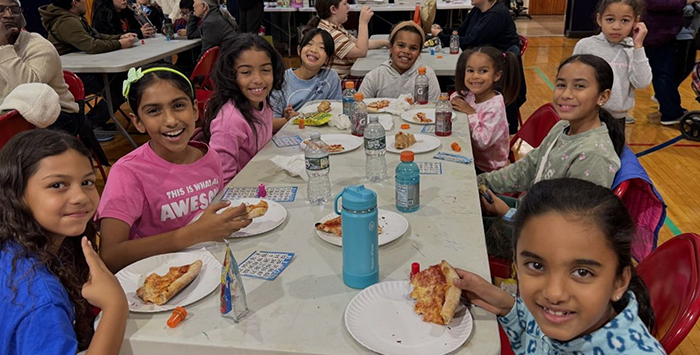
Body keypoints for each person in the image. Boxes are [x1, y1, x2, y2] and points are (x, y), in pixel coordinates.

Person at [453, 178, 665, 354]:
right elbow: (539, 338)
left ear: (619, 282)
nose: (554, 293)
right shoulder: (570, 320)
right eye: (536, 265)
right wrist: (505, 305)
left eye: (582, 272)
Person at [97, 64, 252, 272]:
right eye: (154, 111)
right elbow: (110, 256)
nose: (170, 120)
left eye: (178, 105)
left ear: (195, 109)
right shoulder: (127, 173)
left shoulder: (209, 156)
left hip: (211, 268)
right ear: (138, 122)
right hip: (158, 280)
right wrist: (193, 234)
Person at [478, 55, 624, 259]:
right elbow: (527, 168)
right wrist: (479, 182)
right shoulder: (561, 127)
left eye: (579, 86)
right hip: (529, 214)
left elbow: (571, 228)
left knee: (463, 226)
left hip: (544, 245)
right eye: (561, 85)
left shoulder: (593, 155)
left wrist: (508, 214)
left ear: (603, 96)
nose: (566, 94)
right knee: (469, 200)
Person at [0, 130, 128, 354]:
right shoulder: (41, 300)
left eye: (87, 181)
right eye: (57, 185)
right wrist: (115, 307)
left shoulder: (15, 245)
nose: (80, 197)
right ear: (16, 193)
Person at [40, 0, 137, 141]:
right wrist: (119, 44)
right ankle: (91, 124)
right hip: (70, 77)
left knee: (121, 80)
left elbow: (95, 36)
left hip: (81, 69)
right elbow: (91, 45)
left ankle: (98, 120)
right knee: (120, 85)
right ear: (74, 2)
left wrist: (119, 37)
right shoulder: (66, 21)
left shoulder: (73, 18)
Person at [202, 34, 286, 184]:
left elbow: (261, 125)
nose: (258, 79)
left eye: (265, 70)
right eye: (246, 72)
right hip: (242, 195)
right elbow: (222, 182)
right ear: (231, 75)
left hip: (262, 177)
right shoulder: (230, 122)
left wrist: (287, 121)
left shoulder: (262, 102)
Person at [431, 0, 524, 134]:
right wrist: (442, 31)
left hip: (494, 70)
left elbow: (470, 41)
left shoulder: (496, 15)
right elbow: (462, 31)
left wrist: (441, 36)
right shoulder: (477, 10)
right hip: (484, 65)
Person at [573, 0, 652, 126]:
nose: (616, 26)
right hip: (586, 115)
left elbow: (642, 83)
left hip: (617, 119)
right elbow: (573, 80)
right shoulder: (585, 46)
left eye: (625, 21)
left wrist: (638, 46)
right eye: (610, 19)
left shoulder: (634, 51)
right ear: (600, 19)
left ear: (635, 22)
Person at [450, 46, 521, 174]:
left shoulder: (495, 107)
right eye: (470, 70)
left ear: (497, 75)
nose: (475, 76)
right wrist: (457, 99)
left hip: (488, 170)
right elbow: (456, 95)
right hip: (471, 156)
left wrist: (471, 113)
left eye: (483, 71)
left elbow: (483, 142)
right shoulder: (472, 94)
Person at [358, 21, 440, 101]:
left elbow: (433, 108)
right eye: (401, 45)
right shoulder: (375, 77)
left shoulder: (428, 76)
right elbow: (360, 107)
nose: (406, 51)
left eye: (413, 48)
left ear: (419, 53)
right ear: (391, 47)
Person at [307, 0, 389, 79]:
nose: (348, 7)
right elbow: (361, 51)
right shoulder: (330, 33)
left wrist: (386, 42)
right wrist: (363, 23)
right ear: (333, 9)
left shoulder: (335, 27)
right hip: (341, 80)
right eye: (345, 3)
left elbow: (360, 43)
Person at [271, 28, 341, 121]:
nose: (314, 50)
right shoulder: (281, 79)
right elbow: (270, 123)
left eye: (321, 48)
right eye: (309, 44)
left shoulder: (330, 78)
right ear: (299, 50)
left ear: (327, 59)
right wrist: (288, 120)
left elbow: (336, 111)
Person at [643, 0, 686, 125]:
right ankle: (670, 112)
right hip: (655, 35)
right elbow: (653, 3)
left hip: (665, 34)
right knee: (662, 72)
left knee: (669, 71)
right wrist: (685, 1)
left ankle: (669, 106)